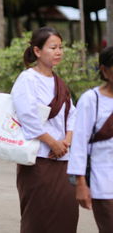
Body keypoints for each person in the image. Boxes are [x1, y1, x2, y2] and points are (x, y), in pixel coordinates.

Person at [11, 27, 78, 233]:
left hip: (63, 158)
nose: (58, 52)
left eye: (60, 47)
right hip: (38, 158)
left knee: (67, 212)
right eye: (53, 47)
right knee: (38, 214)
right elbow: (27, 116)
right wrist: (52, 142)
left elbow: (72, 114)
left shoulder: (60, 83)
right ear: (38, 51)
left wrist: (66, 141)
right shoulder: (27, 79)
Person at [67, 46, 113, 233]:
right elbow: (79, 144)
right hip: (103, 181)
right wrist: (80, 183)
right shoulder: (91, 99)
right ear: (104, 70)